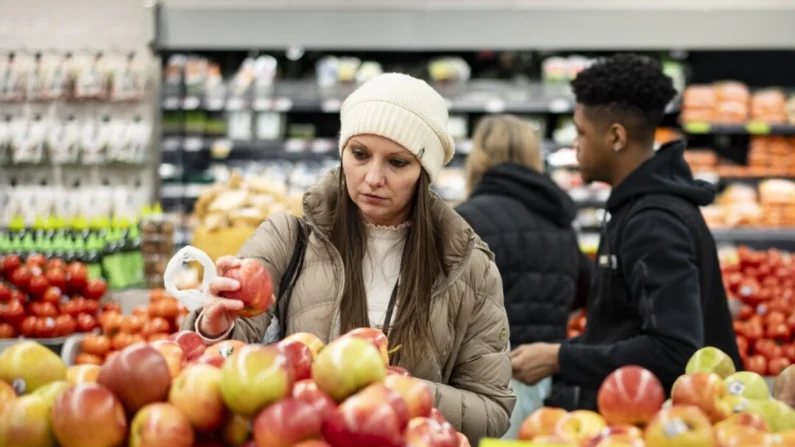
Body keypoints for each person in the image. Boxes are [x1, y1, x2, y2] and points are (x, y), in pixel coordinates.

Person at [181, 72, 515, 442]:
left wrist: (391, 389)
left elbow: (493, 412)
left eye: (397, 162)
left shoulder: (469, 268)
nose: (372, 177)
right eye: (359, 154)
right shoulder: (287, 238)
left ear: (425, 171)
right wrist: (213, 328)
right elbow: (210, 371)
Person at [509, 54, 742, 411]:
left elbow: (674, 349)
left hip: (666, 426)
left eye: (581, 132)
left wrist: (561, 358)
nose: (576, 145)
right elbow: (630, 329)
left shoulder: (653, 221)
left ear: (616, 136)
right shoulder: (640, 208)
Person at [454, 115, 591, 432]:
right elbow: (588, 291)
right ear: (533, 157)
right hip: (549, 387)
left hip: (481, 391)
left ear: (479, 156)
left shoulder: (463, 220)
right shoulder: (560, 223)